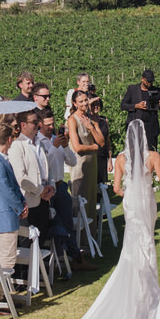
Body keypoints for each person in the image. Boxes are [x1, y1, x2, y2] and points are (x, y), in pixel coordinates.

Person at [56, 121, 160, 319]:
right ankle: (147, 294)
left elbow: (117, 188)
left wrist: (130, 190)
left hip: (132, 204)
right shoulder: (153, 156)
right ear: (144, 136)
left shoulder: (122, 160)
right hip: (146, 203)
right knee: (146, 243)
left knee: (133, 246)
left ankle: (137, 286)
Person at [38, 113, 95, 271]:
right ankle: (58, 259)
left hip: (60, 186)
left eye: (52, 124)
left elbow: (72, 161)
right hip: (46, 188)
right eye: (47, 124)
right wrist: (54, 147)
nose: (51, 127)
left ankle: (75, 257)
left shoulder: (55, 140)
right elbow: (43, 165)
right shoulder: (38, 142)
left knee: (68, 223)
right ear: (39, 125)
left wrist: (65, 146)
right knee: (53, 226)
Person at [0, 126, 26, 272]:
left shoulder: (0, 158)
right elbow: (6, 190)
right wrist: (20, 207)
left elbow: (13, 184)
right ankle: (0, 294)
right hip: (4, 217)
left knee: (8, 258)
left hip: (7, 215)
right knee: (6, 261)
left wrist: (23, 201)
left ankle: (2, 293)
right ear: (9, 139)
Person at [10, 109, 55, 238]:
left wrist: (51, 188)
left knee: (42, 238)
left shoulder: (40, 144)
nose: (38, 125)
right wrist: (41, 190)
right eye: (34, 122)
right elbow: (21, 177)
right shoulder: (17, 146)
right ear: (23, 125)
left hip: (44, 200)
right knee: (28, 242)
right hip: (29, 202)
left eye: (38, 122)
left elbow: (48, 169)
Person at [67, 89, 106, 227]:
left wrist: (91, 128)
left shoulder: (91, 118)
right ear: (74, 103)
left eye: (85, 100)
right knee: (79, 199)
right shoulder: (72, 120)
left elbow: (102, 142)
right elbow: (77, 147)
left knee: (90, 200)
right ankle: (79, 241)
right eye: (81, 101)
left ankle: (90, 238)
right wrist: (93, 148)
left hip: (92, 165)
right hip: (80, 165)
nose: (84, 103)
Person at [121, 69, 160, 152]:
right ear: (142, 79)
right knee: (135, 151)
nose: (150, 84)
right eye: (148, 81)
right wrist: (136, 106)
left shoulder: (157, 91)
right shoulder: (132, 89)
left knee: (151, 152)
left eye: (151, 82)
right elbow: (123, 105)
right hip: (136, 126)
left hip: (151, 128)